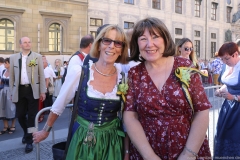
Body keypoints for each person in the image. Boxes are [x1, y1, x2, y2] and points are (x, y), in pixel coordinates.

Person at [33, 24, 129, 159]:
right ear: (99, 44)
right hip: (83, 139)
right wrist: (45, 131)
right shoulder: (80, 71)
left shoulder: (123, 77)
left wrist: (126, 151)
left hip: (112, 143)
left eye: (118, 43)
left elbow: (127, 117)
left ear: (122, 49)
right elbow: (60, 103)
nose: (111, 46)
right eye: (107, 40)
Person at [123, 17, 211, 159]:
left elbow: (202, 110)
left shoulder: (185, 67)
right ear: (136, 43)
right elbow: (130, 116)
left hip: (187, 147)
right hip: (146, 149)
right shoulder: (134, 74)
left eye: (155, 37)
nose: (149, 44)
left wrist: (188, 154)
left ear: (165, 39)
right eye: (143, 38)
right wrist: (149, 156)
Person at [9, 37, 46, 153]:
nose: (27, 44)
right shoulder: (14, 58)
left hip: (32, 90)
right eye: (25, 42)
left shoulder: (37, 57)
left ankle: (29, 140)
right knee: (20, 115)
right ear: (20, 45)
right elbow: (12, 77)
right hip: (19, 90)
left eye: (29, 42)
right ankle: (26, 132)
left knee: (32, 116)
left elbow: (41, 74)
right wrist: (11, 92)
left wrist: (42, 91)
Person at [214, 42, 240, 157]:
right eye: (223, 59)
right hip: (228, 109)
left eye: (226, 58)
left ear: (235, 54)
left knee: (235, 137)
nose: (224, 62)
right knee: (223, 135)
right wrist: (221, 90)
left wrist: (234, 97)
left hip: (238, 111)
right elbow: (228, 84)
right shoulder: (229, 66)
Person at [0, 58, 16, 135]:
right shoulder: (3, 71)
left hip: (11, 91)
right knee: (2, 108)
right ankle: (6, 126)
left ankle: (13, 125)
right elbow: (1, 82)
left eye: (6, 63)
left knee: (12, 108)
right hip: (3, 91)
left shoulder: (14, 72)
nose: (4, 64)